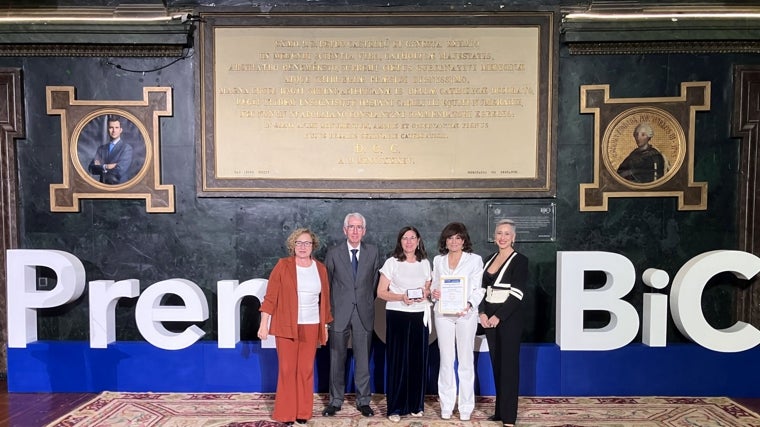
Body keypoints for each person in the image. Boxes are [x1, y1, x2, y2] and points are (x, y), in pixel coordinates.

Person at [257, 228, 333, 426]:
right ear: (293, 245)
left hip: (311, 324)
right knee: (287, 369)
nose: (303, 247)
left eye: (307, 243)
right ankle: (286, 414)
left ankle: (302, 412)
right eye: (299, 243)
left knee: (306, 369)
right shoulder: (283, 266)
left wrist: (324, 326)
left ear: (313, 246)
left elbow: (324, 301)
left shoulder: (321, 268)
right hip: (286, 325)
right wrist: (264, 324)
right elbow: (270, 297)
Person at [322, 213, 382, 418]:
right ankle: (335, 401)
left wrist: (363, 300)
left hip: (364, 313)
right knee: (336, 358)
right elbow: (327, 284)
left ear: (364, 231)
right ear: (344, 230)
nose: (355, 231)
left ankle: (363, 401)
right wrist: (328, 313)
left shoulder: (373, 252)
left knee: (363, 360)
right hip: (339, 313)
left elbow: (374, 283)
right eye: (351, 227)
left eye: (359, 227)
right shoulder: (333, 253)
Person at [377, 226, 432, 423]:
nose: (408, 242)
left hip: (420, 315)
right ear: (400, 242)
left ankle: (415, 405)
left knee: (418, 361)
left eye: (412, 238)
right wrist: (402, 296)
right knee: (398, 361)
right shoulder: (392, 263)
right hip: (398, 314)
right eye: (405, 238)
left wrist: (426, 293)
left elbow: (428, 288)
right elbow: (381, 292)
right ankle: (396, 407)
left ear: (418, 241)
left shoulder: (425, 263)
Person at [431, 222, 485, 421]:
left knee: (465, 361)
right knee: (446, 361)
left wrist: (470, 304)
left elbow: (480, 288)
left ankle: (465, 407)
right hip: (443, 314)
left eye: (458, 238)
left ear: (464, 240)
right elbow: (434, 287)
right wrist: (434, 293)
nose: (454, 242)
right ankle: (446, 405)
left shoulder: (475, 260)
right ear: (445, 240)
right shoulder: (438, 260)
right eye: (450, 238)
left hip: (466, 315)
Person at [478, 219, 528, 427]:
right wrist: (481, 313)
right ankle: (499, 412)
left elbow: (517, 293)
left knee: (509, 367)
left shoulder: (520, 260)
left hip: (508, 319)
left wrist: (499, 316)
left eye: (507, 234)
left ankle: (509, 417)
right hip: (488, 319)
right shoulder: (489, 259)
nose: (502, 237)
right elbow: (480, 289)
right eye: (499, 233)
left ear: (513, 237)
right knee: (497, 364)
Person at [88, 115, 134, 185]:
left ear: (121, 130)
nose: (114, 130)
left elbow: (119, 171)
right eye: (111, 127)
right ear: (107, 129)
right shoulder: (101, 149)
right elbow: (91, 168)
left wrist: (101, 167)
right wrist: (106, 166)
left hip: (120, 188)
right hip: (102, 187)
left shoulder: (127, 148)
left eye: (116, 127)